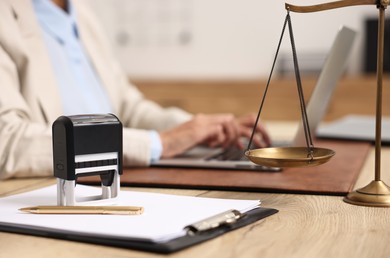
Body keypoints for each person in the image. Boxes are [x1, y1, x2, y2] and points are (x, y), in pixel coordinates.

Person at [0, 0, 270, 179]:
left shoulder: (81, 13)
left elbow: (128, 107)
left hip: (114, 184)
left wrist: (198, 129)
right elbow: (7, 142)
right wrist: (159, 144)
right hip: (47, 198)